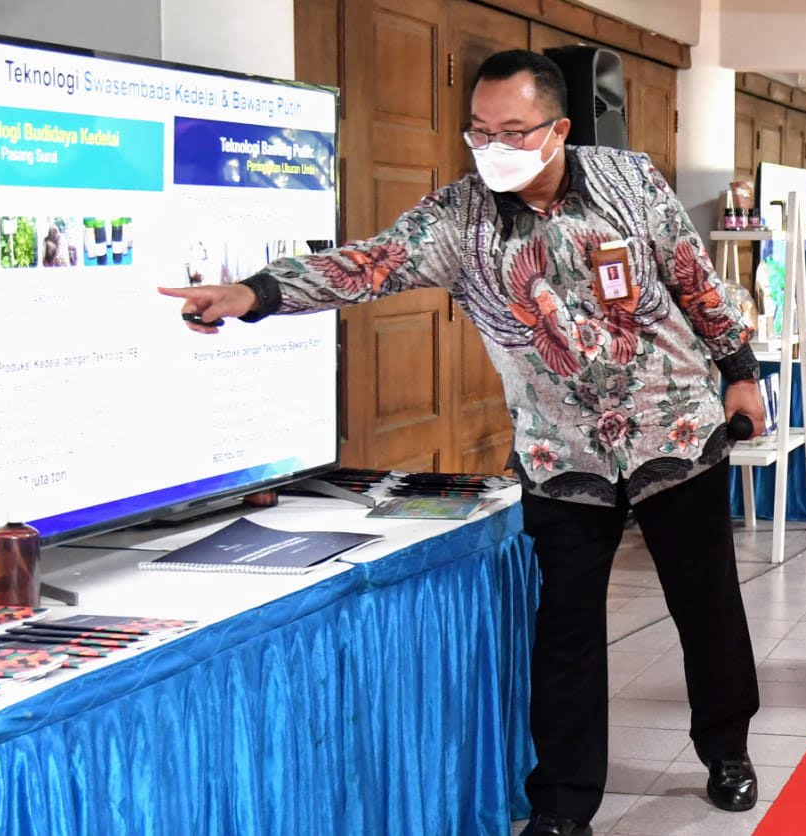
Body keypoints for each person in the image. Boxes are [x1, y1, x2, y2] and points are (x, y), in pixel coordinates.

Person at [160, 50, 766, 836]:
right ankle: (563, 803)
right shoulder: (459, 220)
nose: (494, 147)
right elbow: (365, 265)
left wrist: (741, 369)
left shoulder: (629, 179)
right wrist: (257, 294)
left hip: (677, 433)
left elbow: (694, 277)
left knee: (706, 608)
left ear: (560, 130)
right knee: (567, 636)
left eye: (513, 130)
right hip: (560, 458)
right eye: (479, 132)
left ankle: (727, 750)